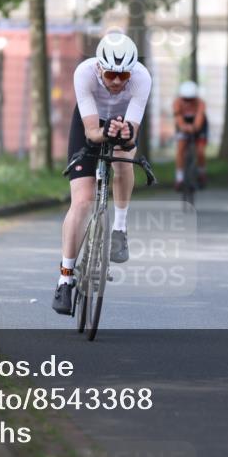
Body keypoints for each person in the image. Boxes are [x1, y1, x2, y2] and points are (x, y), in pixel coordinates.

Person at [53, 32, 152, 315]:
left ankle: (119, 228)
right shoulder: (83, 73)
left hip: (122, 125)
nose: (118, 82)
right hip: (90, 125)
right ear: (99, 67)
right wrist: (104, 132)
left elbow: (132, 136)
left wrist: (126, 135)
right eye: (111, 74)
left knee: (123, 161)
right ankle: (65, 278)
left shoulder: (142, 78)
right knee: (82, 201)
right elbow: (92, 132)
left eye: (124, 76)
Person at [172, 80, 208, 191]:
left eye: (191, 99)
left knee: (200, 151)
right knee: (180, 150)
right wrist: (183, 127)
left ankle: (201, 173)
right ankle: (180, 179)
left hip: (200, 126)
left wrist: (195, 127)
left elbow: (199, 117)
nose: (188, 102)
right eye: (185, 99)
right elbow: (178, 117)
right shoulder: (177, 102)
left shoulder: (200, 103)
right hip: (183, 124)